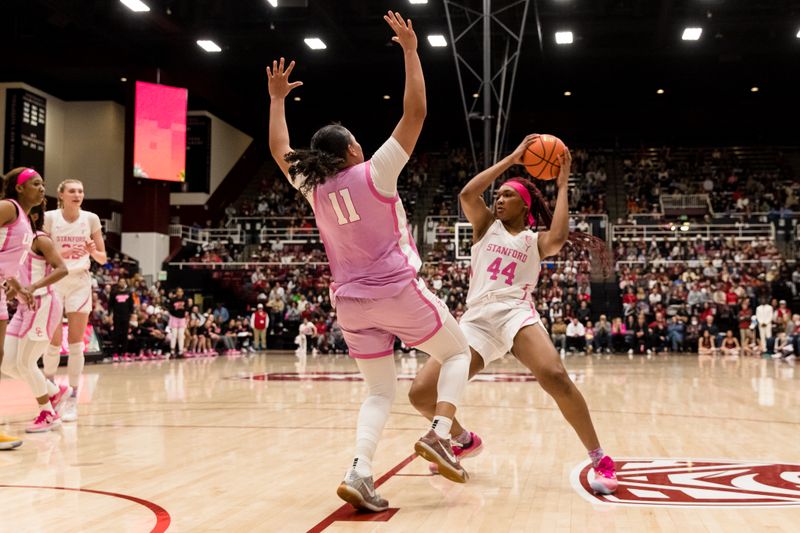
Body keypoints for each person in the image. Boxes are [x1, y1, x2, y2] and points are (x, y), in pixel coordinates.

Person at [268, 11, 472, 512]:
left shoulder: (313, 187)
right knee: (457, 353)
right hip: (398, 291)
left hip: (351, 306)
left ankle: (360, 471)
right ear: (353, 148)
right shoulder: (374, 173)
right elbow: (416, 113)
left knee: (380, 392)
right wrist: (410, 50)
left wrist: (276, 100)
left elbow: (279, 148)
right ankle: (442, 433)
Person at [407, 135, 618, 495]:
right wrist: (512, 159)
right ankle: (462, 439)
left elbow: (560, 235)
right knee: (421, 394)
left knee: (554, 375)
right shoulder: (485, 226)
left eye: (507, 195)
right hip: (476, 320)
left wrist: (563, 183)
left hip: (515, 314)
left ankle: (600, 458)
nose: (498, 199)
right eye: (498, 194)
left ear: (525, 203)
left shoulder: (534, 240)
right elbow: (467, 195)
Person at [42, 179, 107, 423]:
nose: (77, 194)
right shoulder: (49, 218)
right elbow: (40, 253)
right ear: (61, 195)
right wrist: (65, 254)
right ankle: (49, 395)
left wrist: (91, 251)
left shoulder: (91, 218)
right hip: (55, 280)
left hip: (79, 281)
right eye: (72, 191)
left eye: (80, 190)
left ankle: (72, 398)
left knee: (76, 342)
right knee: (53, 341)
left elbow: (102, 258)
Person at [1, 201, 69, 432]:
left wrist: (33, 286)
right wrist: (16, 288)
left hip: (44, 303)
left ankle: (48, 414)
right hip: (23, 307)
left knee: (26, 363)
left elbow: (62, 269)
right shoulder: (16, 240)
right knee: (7, 363)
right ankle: (54, 391)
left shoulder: (41, 239)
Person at [0, 168, 43, 448]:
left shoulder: (25, 221)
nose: (42, 188)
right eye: (36, 184)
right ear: (19, 188)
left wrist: (17, 285)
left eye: (42, 184)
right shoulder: (8, 207)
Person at [110, 278, 134, 360]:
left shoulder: (129, 293)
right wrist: (110, 314)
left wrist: (131, 315)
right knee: (116, 335)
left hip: (126, 317)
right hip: (116, 317)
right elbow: (110, 305)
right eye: (121, 281)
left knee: (125, 335)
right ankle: (115, 354)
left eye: (124, 281)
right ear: (118, 283)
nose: (122, 283)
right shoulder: (114, 293)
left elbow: (131, 305)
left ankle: (124, 353)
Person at [167, 287, 191, 358]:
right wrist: (176, 308)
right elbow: (170, 309)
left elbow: (187, 308)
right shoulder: (172, 300)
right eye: (178, 291)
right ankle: (172, 352)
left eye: (181, 291)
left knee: (181, 335)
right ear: (176, 292)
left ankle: (180, 352)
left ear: (182, 293)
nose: (179, 293)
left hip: (182, 318)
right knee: (174, 335)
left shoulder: (185, 300)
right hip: (174, 318)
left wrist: (184, 311)